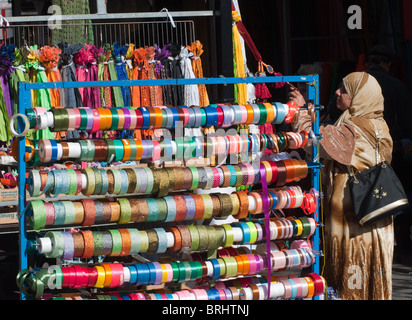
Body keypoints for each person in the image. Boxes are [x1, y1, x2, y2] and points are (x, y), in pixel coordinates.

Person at [293, 72, 394, 300]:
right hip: (374, 213)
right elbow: (330, 137)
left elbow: (314, 142)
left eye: (344, 90)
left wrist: (299, 111)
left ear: (359, 96)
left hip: (353, 220)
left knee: (352, 277)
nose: (337, 92)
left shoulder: (354, 130)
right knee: (369, 273)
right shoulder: (379, 125)